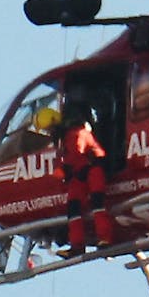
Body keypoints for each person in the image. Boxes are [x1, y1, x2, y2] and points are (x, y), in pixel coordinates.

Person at [41, 102, 114, 255]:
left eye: (49, 128)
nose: (49, 132)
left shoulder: (76, 133)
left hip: (92, 170)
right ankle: (77, 246)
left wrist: (63, 170)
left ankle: (105, 238)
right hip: (79, 174)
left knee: (97, 203)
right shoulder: (64, 139)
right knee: (73, 208)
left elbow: (77, 154)